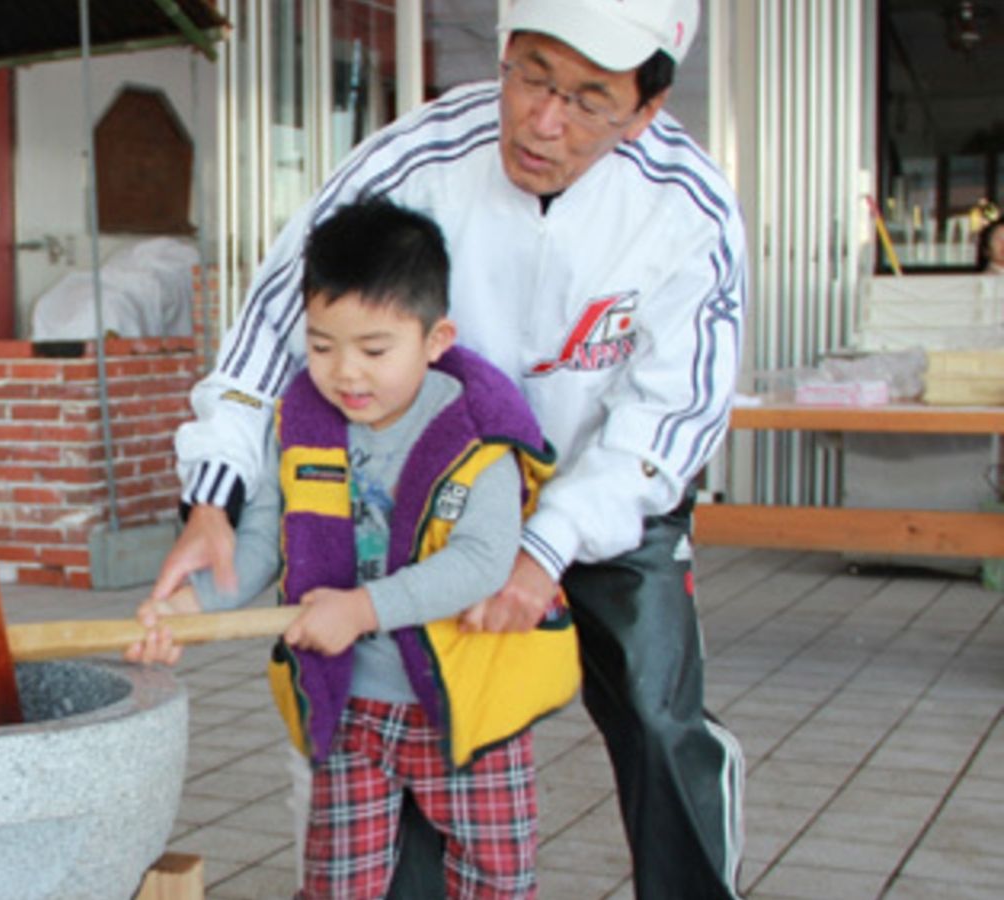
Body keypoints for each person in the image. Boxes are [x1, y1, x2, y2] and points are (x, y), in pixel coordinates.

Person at [151, 0, 747, 897]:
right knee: (425, 715)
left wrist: (548, 546)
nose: (545, 121)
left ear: (646, 108)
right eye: (533, 76)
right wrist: (213, 496)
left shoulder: (686, 209)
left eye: (588, 100)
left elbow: (672, 417)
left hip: (601, 491)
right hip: (429, 496)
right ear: (504, 51)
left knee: (659, 723)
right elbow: (279, 318)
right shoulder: (418, 155)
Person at [129, 196, 580, 898]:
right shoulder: (302, 423)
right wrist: (190, 605)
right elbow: (260, 547)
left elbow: (481, 562)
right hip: (349, 706)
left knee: (496, 876)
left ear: (436, 339)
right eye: (320, 345)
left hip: (468, 701)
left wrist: (363, 609)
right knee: (339, 884)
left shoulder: (478, 433)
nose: (346, 373)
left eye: (374, 350)